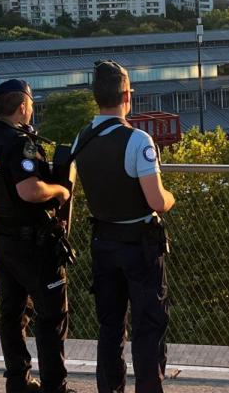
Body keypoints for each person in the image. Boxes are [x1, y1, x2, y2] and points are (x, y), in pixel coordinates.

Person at [73, 60, 176, 393]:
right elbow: (156, 201)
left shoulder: (82, 138)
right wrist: (171, 197)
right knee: (148, 326)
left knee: (110, 328)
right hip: (139, 246)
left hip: (102, 241)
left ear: (96, 97)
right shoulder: (137, 140)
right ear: (128, 95)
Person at [0, 79, 74, 393]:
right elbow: (29, 190)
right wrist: (60, 190)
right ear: (22, 107)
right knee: (51, 314)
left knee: (13, 312)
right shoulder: (20, 143)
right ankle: (54, 386)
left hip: (1, 237)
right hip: (32, 243)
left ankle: (18, 380)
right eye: (30, 105)